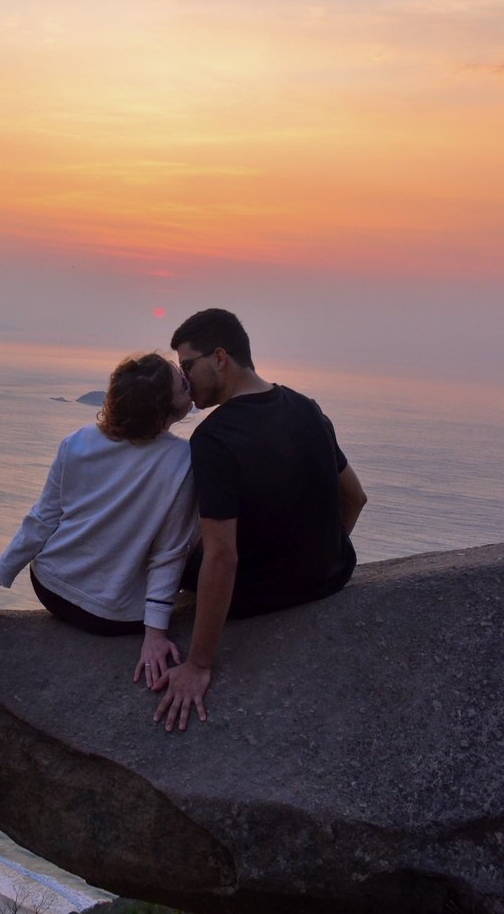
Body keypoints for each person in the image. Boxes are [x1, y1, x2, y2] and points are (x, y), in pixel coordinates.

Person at [154, 308, 367, 732]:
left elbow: (222, 556)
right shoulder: (307, 409)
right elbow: (356, 498)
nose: (184, 380)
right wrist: (317, 554)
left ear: (219, 358)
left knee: (176, 544)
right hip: (330, 576)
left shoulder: (214, 438)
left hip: (256, 598)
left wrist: (198, 664)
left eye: (186, 367)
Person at [0, 352, 197, 686]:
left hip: (51, 588)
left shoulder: (77, 442)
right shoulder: (183, 461)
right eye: (181, 381)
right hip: (114, 616)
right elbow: (169, 554)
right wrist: (155, 634)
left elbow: (41, 520)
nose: (188, 380)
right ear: (164, 407)